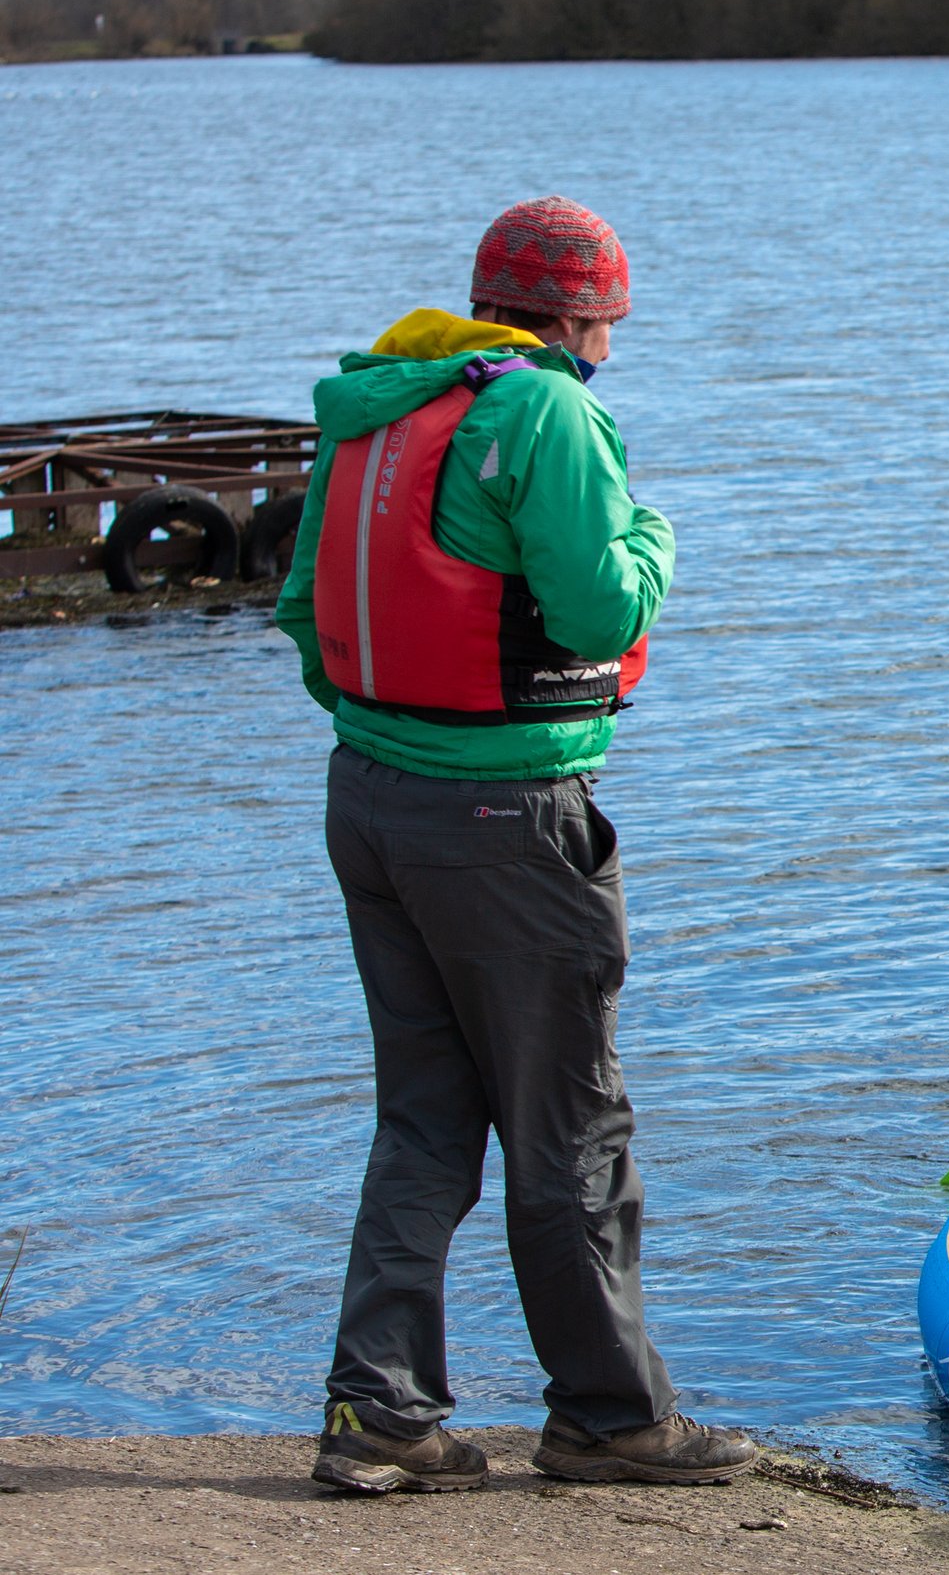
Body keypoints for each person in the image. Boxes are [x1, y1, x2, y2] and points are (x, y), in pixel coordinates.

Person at [274, 197, 754, 1495]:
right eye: (610, 323)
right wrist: (657, 538)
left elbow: (300, 613)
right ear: (585, 315)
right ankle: (607, 1414)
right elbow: (602, 600)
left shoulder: (374, 400)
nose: (610, 346)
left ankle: (378, 1414)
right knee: (572, 1120)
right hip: (508, 819)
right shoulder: (545, 409)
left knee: (425, 1118)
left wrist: (393, 740)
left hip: (370, 800)